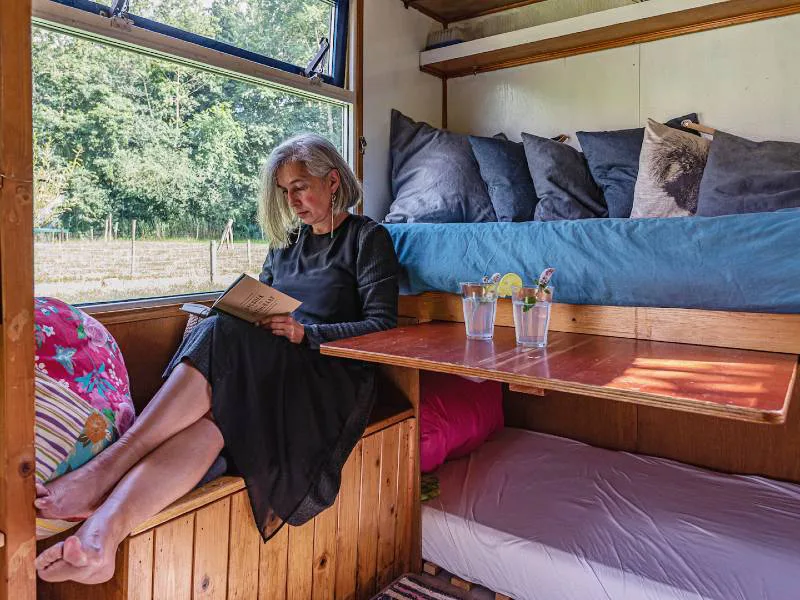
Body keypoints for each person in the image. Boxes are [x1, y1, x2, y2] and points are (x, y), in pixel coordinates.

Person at [34, 133, 400, 584]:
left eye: (302, 186)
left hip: (327, 377)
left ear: (333, 181)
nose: (294, 199)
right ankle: (100, 539)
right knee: (212, 421)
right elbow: (265, 300)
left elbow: (383, 326)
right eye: (286, 191)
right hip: (268, 368)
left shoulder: (368, 238)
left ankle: (103, 470)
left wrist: (308, 333)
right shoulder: (287, 244)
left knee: (223, 338)